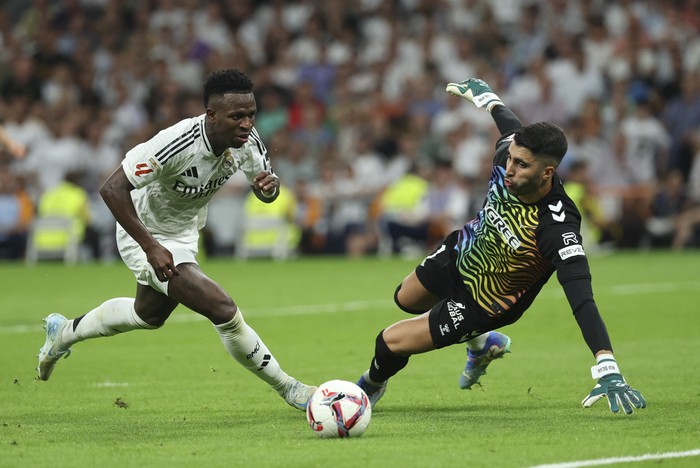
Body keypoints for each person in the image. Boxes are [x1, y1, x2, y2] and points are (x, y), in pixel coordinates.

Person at [356, 78, 646, 415]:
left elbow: (581, 297)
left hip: (486, 301)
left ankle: (365, 390)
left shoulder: (557, 226)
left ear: (547, 172)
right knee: (404, 299)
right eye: (510, 158)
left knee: (389, 342)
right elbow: (509, 124)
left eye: (521, 165)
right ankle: (482, 346)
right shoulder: (509, 154)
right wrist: (488, 98)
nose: (508, 170)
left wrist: (606, 364)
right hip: (462, 251)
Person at [36, 68, 316, 411]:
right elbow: (111, 189)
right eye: (237, 116)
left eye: (251, 115)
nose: (246, 124)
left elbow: (266, 187)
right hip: (143, 231)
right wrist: (151, 247)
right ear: (211, 115)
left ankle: (63, 333)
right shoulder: (176, 143)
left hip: (183, 232)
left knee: (147, 315)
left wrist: (268, 191)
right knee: (222, 309)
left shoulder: (247, 142)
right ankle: (290, 388)